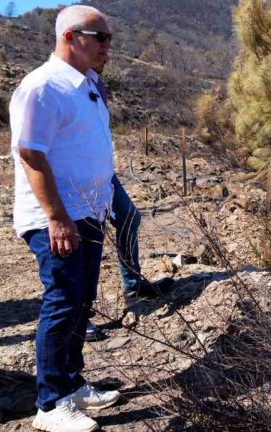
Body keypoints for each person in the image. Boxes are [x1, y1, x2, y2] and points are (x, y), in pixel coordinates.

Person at [11, 5, 121, 432]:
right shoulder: (42, 87)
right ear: (72, 37)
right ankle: (50, 402)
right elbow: (31, 154)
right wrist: (57, 217)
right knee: (61, 302)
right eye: (102, 37)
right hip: (56, 217)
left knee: (81, 300)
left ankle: (72, 383)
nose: (109, 46)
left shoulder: (86, 84)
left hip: (90, 212)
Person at [84, 65, 173, 343]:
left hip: (102, 170)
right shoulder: (63, 84)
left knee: (128, 216)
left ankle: (133, 286)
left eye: (108, 40)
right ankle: (78, 315)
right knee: (85, 234)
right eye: (99, 39)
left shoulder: (95, 83)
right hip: (78, 173)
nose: (106, 48)